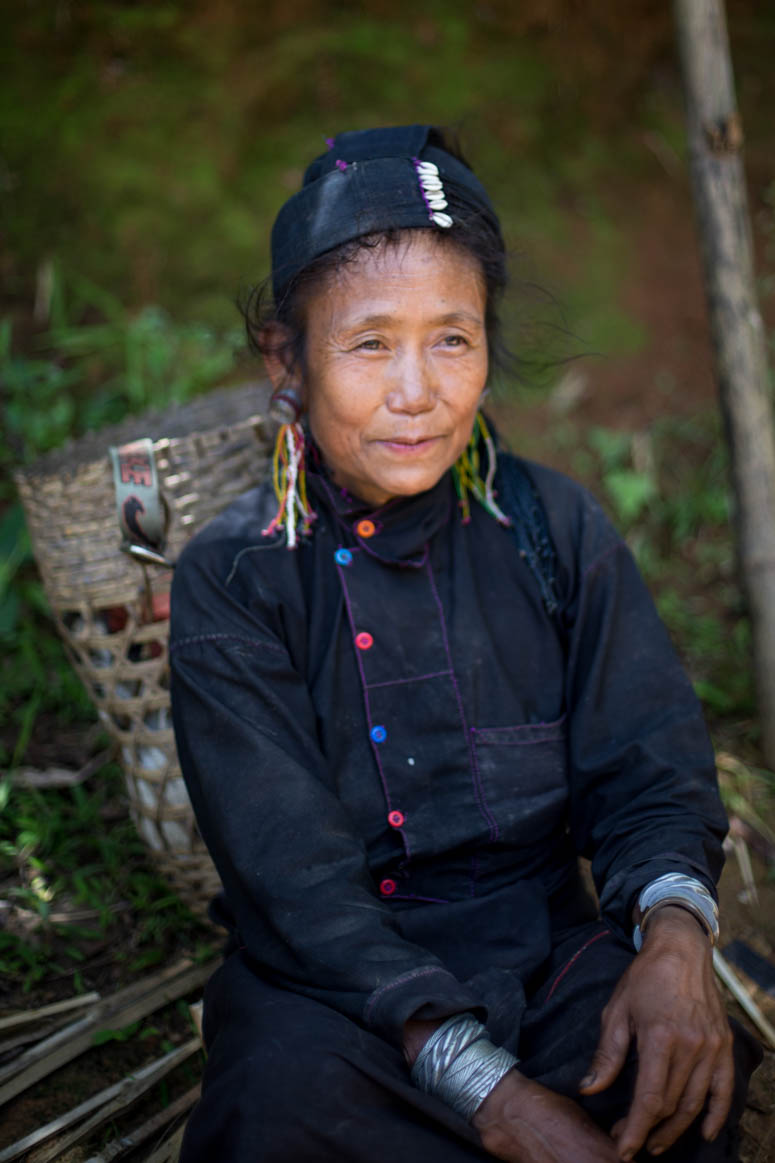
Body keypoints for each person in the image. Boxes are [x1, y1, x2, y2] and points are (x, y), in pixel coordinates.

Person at [169, 125, 762, 1163]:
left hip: (546, 952)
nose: (416, 391)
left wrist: (674, 944)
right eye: (367, 344)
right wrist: (486, 1090)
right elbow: (294, 885)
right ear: (286, 359)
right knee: (273, 1114)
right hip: (341, 995)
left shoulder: (551, 527)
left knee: (668, 1090)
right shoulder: (238, 578)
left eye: (452, 337)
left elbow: (649, 765)